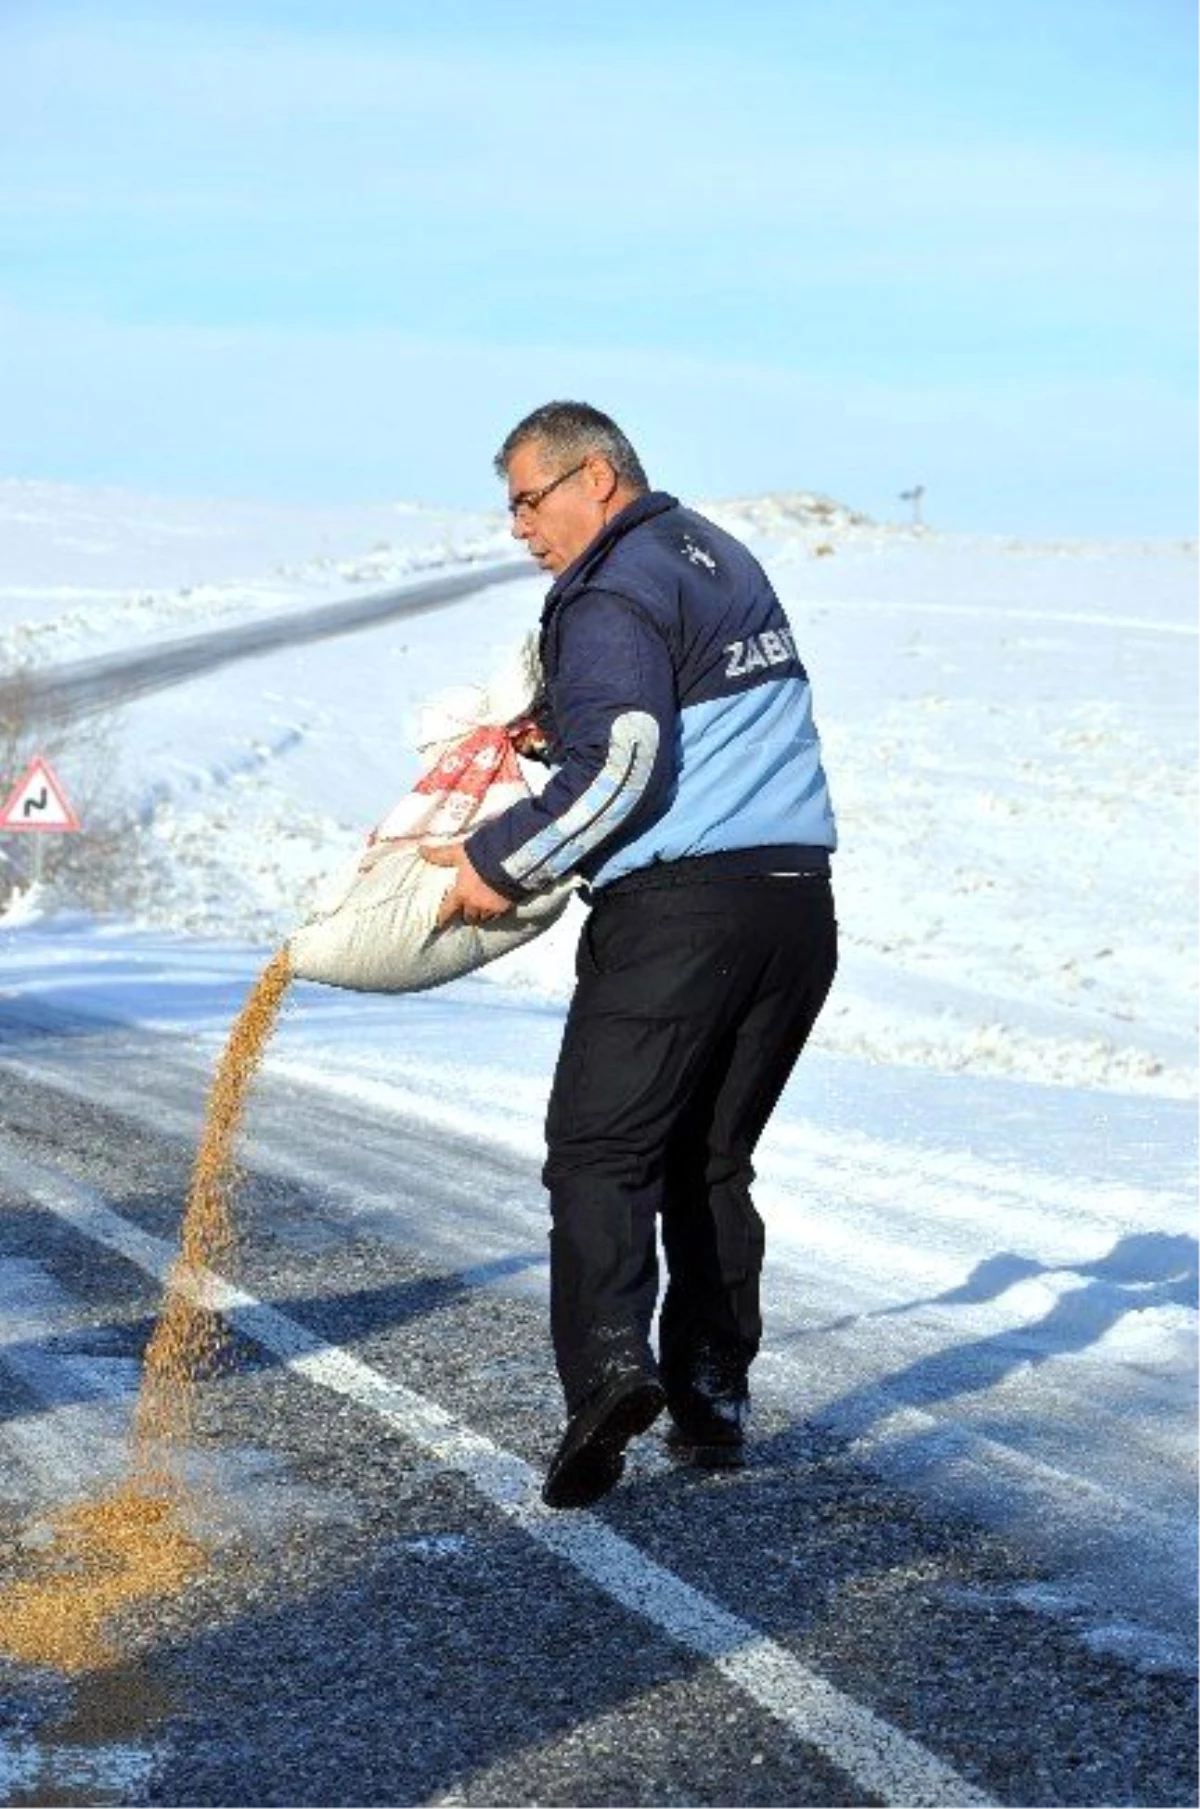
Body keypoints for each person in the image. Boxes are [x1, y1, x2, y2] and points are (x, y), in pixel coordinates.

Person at [421, 401, 837, 1510]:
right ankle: (713, 1398)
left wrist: (498, 861)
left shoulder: (610, 585)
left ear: (592, 479)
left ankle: (610, 1373)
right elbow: (674, 719)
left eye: (526, 499)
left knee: (602, 1154)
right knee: (709, 1160)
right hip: (793, 909)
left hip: (680, 913)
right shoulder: (707, 553)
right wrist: (559, 729)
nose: (518, 528)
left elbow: (633, 763)